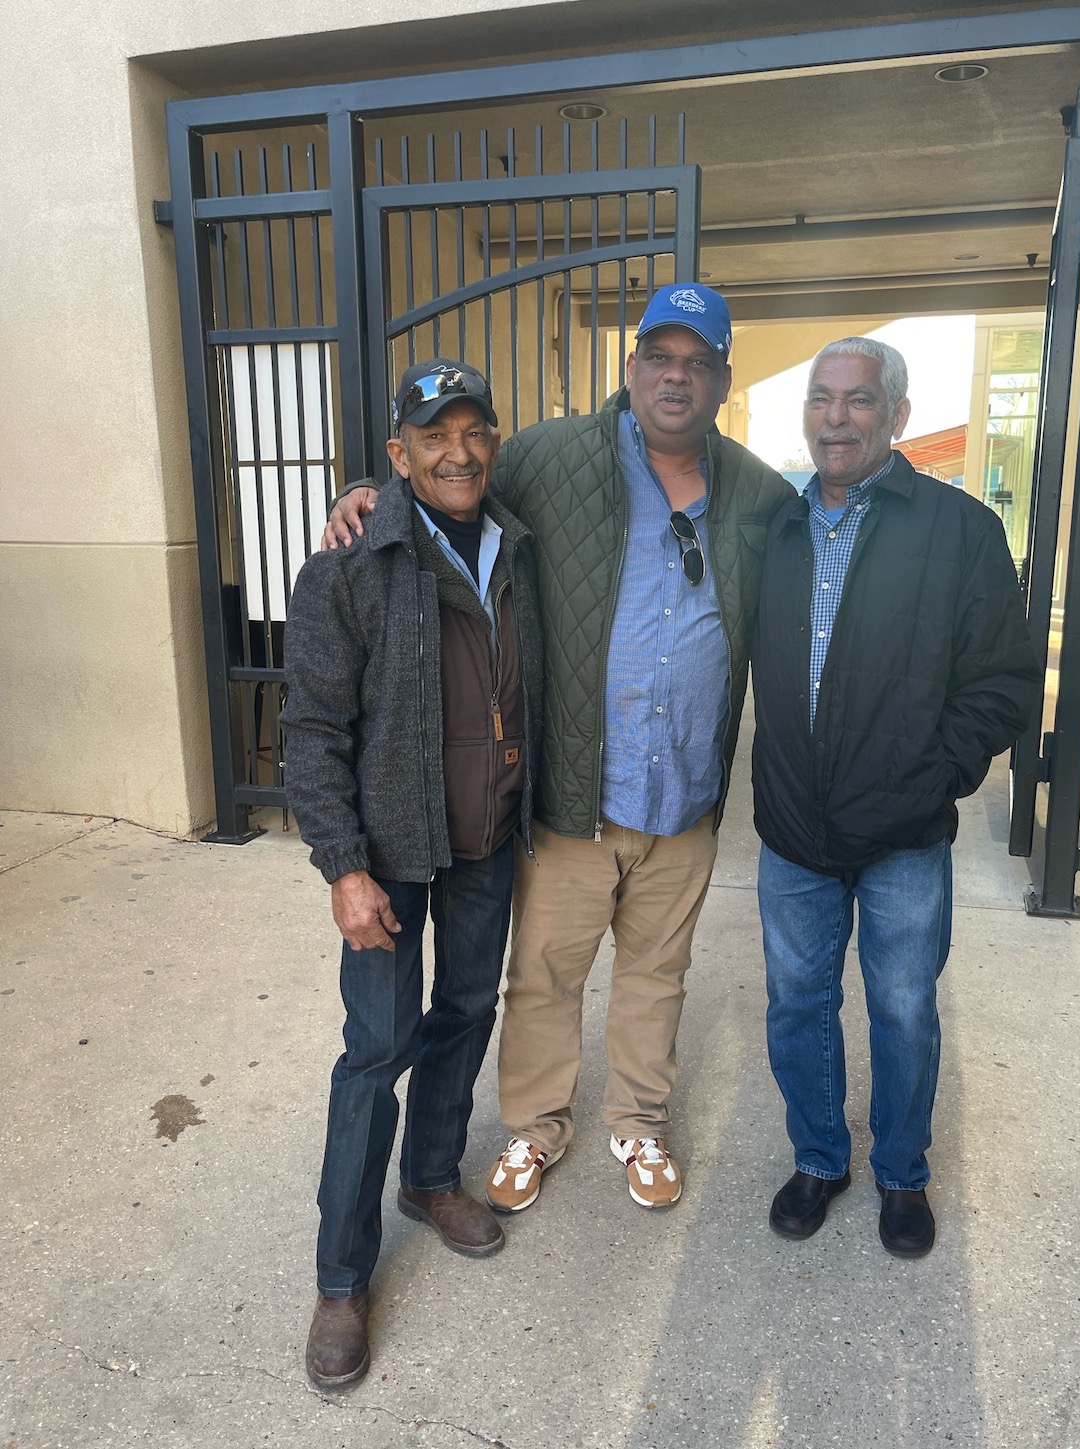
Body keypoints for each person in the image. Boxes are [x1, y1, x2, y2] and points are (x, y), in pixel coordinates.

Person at [326, 285, 793, 1214]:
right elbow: (446, 491)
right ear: (632, 367)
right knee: (542, 975)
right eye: (659, 356)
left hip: (686, 798)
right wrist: (364, 496)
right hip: (579, 790)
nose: (676, 376)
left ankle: (639, 1123)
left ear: (722, 381)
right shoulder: (551, 454)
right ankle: (536, 1126)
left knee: (658, 976)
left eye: (697, 362)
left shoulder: (758, 492)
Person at [283, 359, 542, 1388]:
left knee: (466, 1013)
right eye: (434, 434)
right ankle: (342, 1278)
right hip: (389, 859)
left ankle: (430, 1180)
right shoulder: (350, 565)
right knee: (376, 1048)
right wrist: (343, 868)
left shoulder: (516, 544)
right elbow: (310, 733)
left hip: (487, 840)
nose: (458, 450)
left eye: (475, 429)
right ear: (397, 454)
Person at [752, 336, 1040, 1258]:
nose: (836, 417)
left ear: (898, 416)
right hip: (795, 823)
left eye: (859, 400)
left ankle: (903, 1171)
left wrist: (934, 774)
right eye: (822, 399)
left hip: (906, 828)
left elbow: (1002, 680)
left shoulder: (959, 530)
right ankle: (821, 1156)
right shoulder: (775, 526)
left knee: (903, 1004)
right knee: (798, 1002)